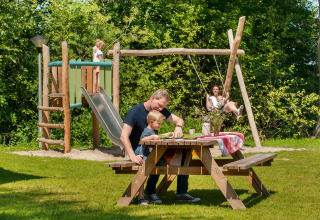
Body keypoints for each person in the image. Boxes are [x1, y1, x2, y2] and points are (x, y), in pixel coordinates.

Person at [120, 89, 200, 204]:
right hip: (139, 148)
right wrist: (132, 156)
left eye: (163, 107)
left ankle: (182, 193)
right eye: (160, 106)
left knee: (185, 153)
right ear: (153, 99)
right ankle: (150, 192)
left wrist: (178, 126)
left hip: (154, 147)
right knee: (156, 160)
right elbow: (123, 136)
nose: (161, 109)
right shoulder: (135, 111)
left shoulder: (160, 110)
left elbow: (179, 120)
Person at [135, 110, 165, 205]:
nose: (160, 126)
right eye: (158, 123)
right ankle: (141, 196)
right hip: (145, 157)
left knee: (160, 166)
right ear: (151, 122)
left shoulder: (153, 131)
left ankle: (148, 192)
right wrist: (152, 137)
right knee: (143, 176)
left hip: (152, 157)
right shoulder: (147, 131)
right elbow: (142, 140)